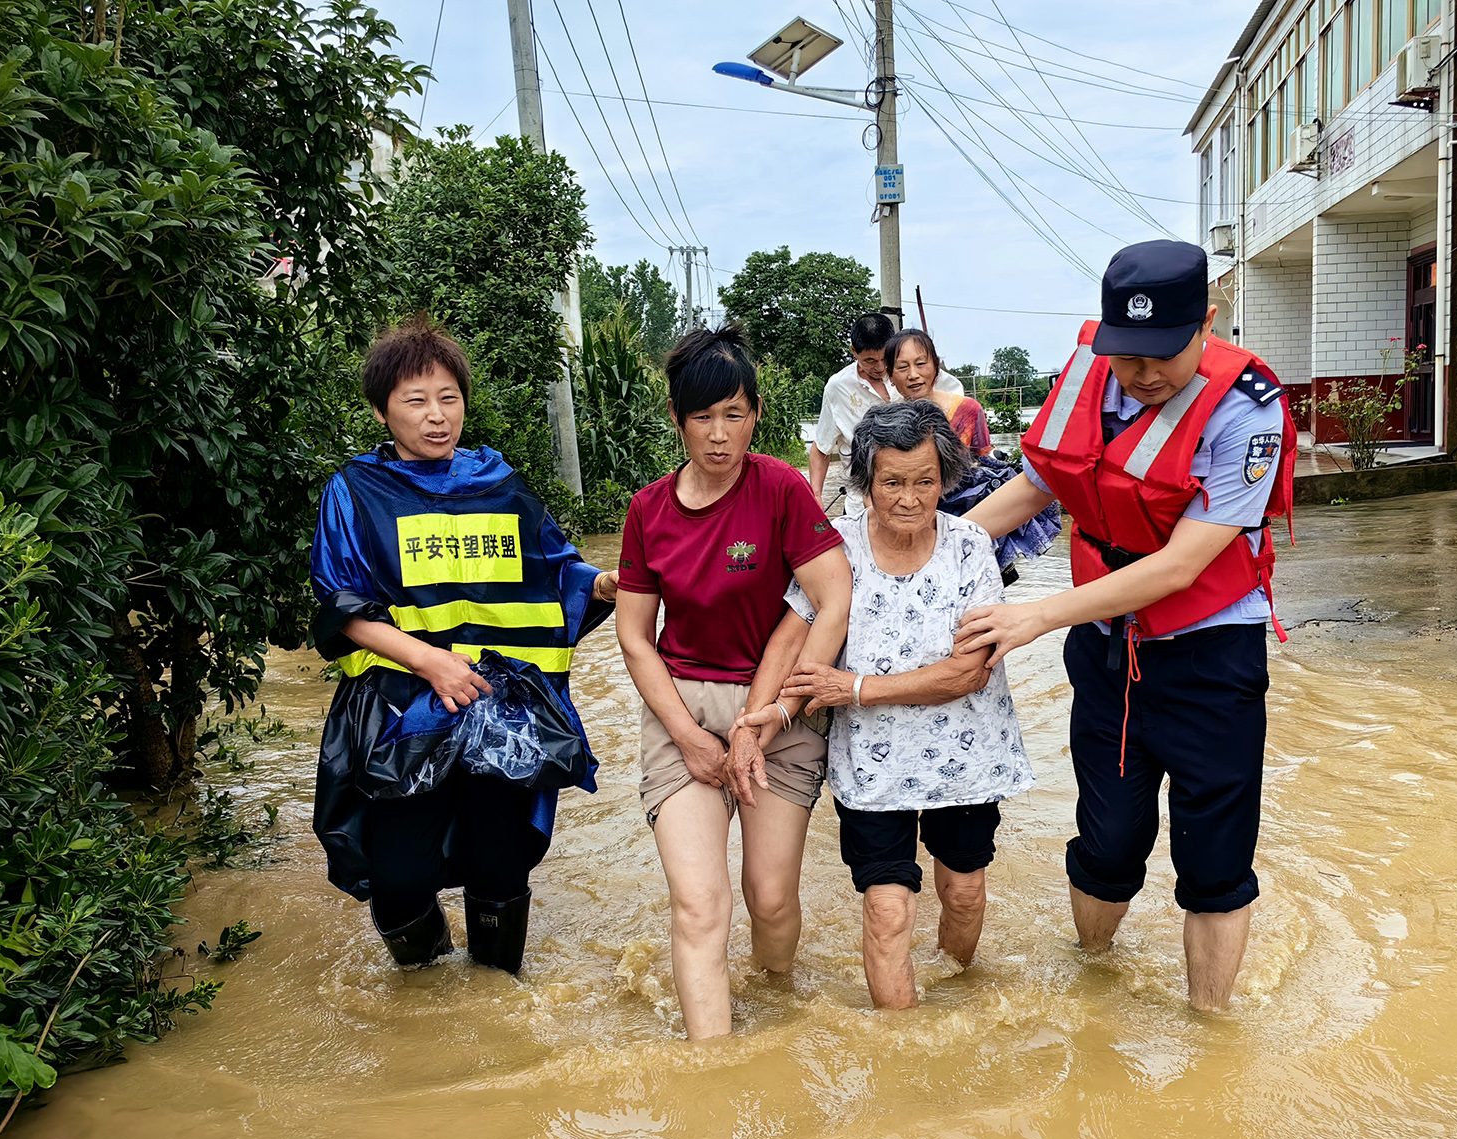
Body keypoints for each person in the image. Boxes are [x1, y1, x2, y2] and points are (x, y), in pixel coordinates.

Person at [954, 240, 1295, 1012]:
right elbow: (1035, 487)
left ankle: (1210, 1030)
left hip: (1211, 658)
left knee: (1214, 863)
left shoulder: (1248, 409)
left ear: (1206, 323)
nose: (1141, 374)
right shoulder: (1089, 376)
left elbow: (1180, 566)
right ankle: (1093, 988)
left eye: (1162, 354)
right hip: (1109, 654)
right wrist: (928, 559)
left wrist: (1035, 616)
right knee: (1106, 845)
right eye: (1126, 354)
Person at [310, 315, 618, 975]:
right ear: (381, 411)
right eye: (416, 401)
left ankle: (494, 998)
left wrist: (604, 584)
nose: (436, 415)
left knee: (500, 863)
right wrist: (430, 663)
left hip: (497, 705)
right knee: (398, 879)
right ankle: (423, 991)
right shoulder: (355, 492)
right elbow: (341, 606)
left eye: (448, 398)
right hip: (402, 710)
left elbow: (556, 568)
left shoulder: (499, 485)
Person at [754, 399, 1034, 1009]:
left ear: (945, 479)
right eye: (892, 484)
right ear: (865, 482)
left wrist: (854, 689)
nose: (910, 499)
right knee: (886, 911)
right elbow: (792, 634)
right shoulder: (836, 547)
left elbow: (969, 672)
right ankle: (901, 1046)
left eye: (925, 482)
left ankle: (955, 1002)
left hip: (965, 758)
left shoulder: (969, 547)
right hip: (873, 766)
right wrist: (761, 718)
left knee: (964, 895)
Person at [615, 324, 853, 1040]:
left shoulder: (780, 489)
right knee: (699, 905)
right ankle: (712, 1070)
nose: (719, 435)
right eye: (702, 417)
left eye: (735, 414)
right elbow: (635, 637)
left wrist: (775, 713)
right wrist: (688, 736)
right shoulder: (647, 510)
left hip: (777, 708)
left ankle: (775, 1012)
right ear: (676, 417)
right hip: (682, 709)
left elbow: (834, 597)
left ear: (756, 414)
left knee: (770, 898)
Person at [809, 314, 965, 516]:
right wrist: (815, 496)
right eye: (870, 361)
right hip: (861, 507)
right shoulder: (838, 388)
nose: (880, 367)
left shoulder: (921, 376)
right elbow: (821, 447)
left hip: (920, 504)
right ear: (854, 351)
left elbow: (959, 438)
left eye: (885, 359)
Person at [885, 327, 991, 458]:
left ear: (936, 365)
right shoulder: (886, 422)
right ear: (890, 375)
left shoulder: (967, 410)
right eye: (902, 367)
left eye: (920, 363)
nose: (913, 375)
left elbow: (985, 462)